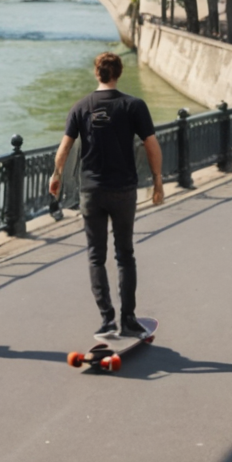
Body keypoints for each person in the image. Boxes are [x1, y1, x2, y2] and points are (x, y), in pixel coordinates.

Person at [50, 52, 165, 337]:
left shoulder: (81, 107)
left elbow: (64, 149)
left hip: (91, 191)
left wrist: (56, 175)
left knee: (95, 256)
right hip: (123, 190)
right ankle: (128, 318)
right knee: (125, 254)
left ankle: (106, 320)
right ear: (119, 73)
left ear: (96, 73)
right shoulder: (133, 105)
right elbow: (151, 145)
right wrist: (158, 181)